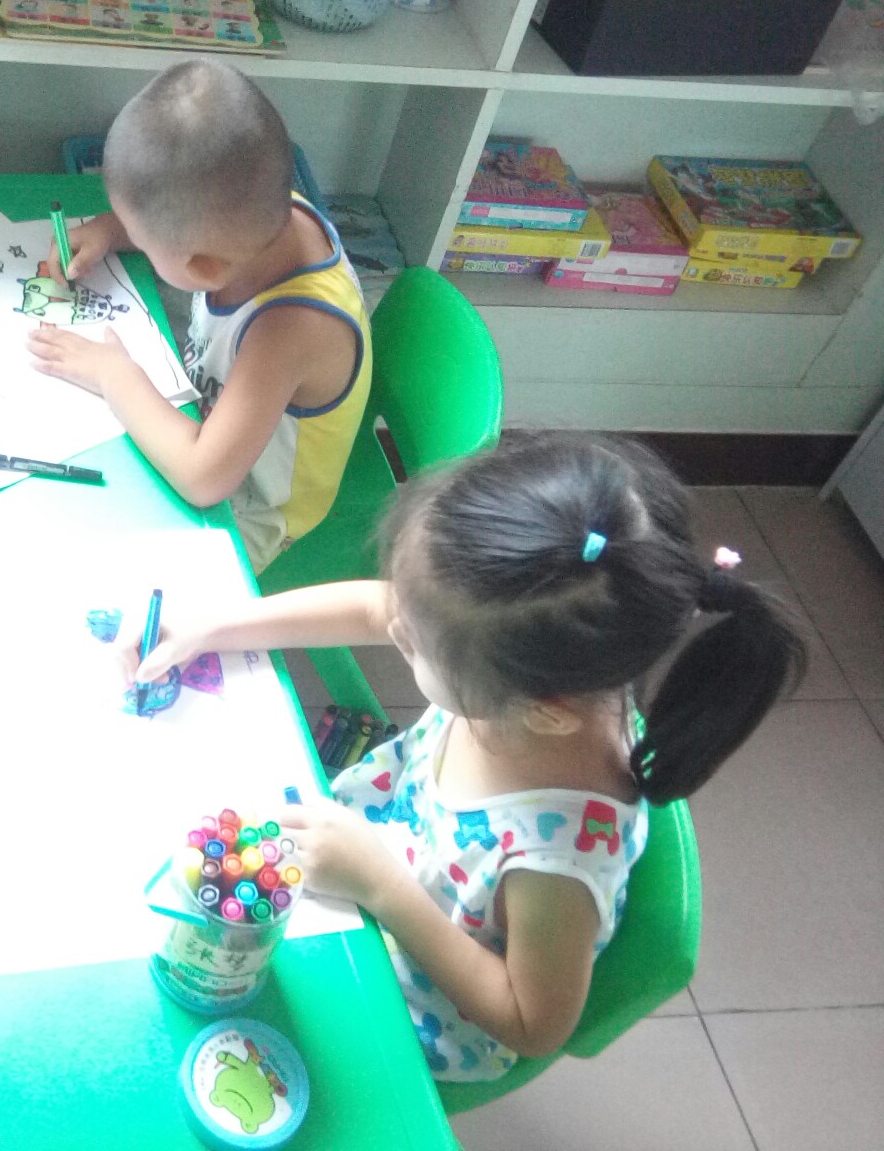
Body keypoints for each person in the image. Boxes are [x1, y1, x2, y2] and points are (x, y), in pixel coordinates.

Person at [121, 435, 805, 1079]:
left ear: (543, 710)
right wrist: (214, 624)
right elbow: (380, 609)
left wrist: (381, 885)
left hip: (410, 997)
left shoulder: (556, 863)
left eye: (413, 645)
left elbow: (532, 1025)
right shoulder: (540, 660)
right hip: (364, 862)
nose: (396, 629)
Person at [27, 60, 370, 572]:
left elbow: (202, 478)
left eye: (139, 237)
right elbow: (185, 224)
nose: (130, 237)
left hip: (253, 515)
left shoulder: (289, 330)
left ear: (205, 266)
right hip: (215, 430)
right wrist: (109, 230)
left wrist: (113, 375)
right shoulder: (255, 207)